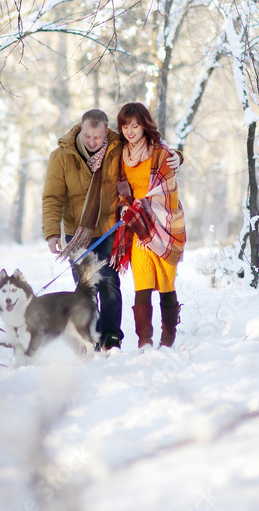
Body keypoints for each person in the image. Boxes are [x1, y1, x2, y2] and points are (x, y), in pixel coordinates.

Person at [42, 108, 179, 351]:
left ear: (106, 132)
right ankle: (88, 336)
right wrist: (52, 233)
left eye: (97, 137)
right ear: (80, 129)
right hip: (77, 232)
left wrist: (178, 155)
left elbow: (151, 147)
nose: (92, 142)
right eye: (87, 136)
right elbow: (52, 197)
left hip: (108, 228)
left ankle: (111, 337)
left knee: (108, 284)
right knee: (85, 286)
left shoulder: (118, 147)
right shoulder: (61, 156)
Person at [111, 102, 186, 348]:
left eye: (135, 125)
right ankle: (144, 341)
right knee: (141, 282)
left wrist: (179, 156)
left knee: (166, 282)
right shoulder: (121, 155)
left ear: (145, 125)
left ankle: (168, 337)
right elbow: (123, 191)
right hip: (138, 229)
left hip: (164, 225)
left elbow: (168, 190)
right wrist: (124, 205)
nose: (130, 131)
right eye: (125, 126)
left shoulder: (161, 153)